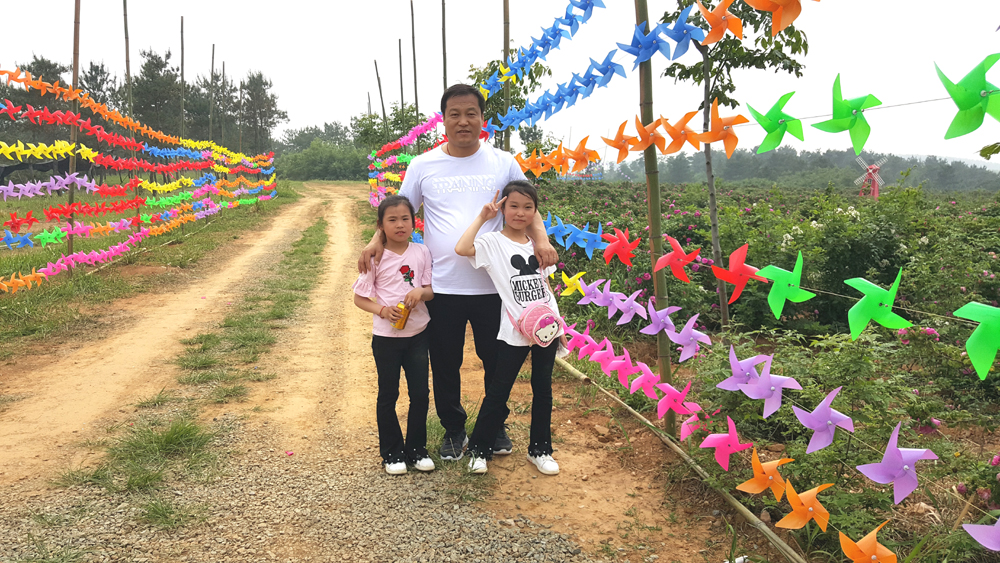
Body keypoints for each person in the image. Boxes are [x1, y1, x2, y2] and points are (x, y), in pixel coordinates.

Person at [358, 84, 558, 461]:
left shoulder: (503, 162)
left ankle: (494, 426)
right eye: (455, 114)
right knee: (445, 363)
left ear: (482, 119)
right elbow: (400, 209)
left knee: (496, 361)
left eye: (471, 114)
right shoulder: (423, 165)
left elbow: (527, 206)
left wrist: (543, 240)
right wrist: (375, 241)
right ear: (444, 121)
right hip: (441, 286)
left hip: (495, 286)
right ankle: (453, 429)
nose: (463, 121)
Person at [454, 180, 565, 476]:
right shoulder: (493, 243)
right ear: (503, 208)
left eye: (528, 207)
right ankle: (479, 450)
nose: (520, 213)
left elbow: (545, 285)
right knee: (499, 390)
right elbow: (462, 248)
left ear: (535, 211)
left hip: (546, 327)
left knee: (543, 389)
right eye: (513, 206)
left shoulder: (538, 246)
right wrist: (483, 217)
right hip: (515, 329)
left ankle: (540, 450)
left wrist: (559, 326)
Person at [353, 195, 435, 475]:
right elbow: (359, 298)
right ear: (380, 226)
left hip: (418, 335)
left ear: (414, 222)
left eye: (405, 219)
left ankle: (417, 450)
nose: (400, 225)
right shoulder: (375, 258)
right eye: (392, 220)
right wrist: (382, 311)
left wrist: (420, 292)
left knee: (420, 393)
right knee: (388, 393)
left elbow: (431, 291)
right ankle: (391, 453)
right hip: (386, 339)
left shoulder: (421, 252)